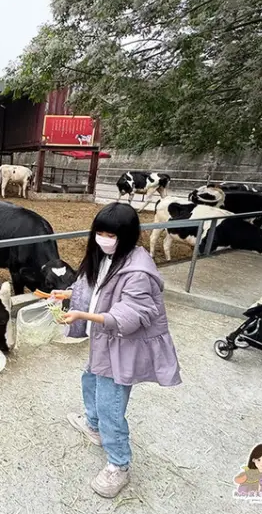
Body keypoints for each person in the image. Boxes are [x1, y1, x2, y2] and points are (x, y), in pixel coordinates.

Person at [56, 202, 182, 498]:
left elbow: (131, 314)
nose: (103, 238)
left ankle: (119, 465)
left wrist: (83, 316)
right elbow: (95, 289)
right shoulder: (105, 257)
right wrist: (69, 294)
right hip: (103, 341)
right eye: (99, 232)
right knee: (90, 379)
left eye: (110, 234)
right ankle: (93, 425)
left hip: (122, 346)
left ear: (126, 235)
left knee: (111, 405)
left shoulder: (138, 270)